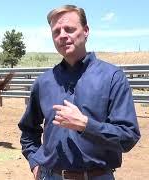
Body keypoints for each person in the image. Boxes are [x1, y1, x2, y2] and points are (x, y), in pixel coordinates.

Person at [18, 4, 141, 180]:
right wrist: (35, 163)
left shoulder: (112, 77)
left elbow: (128, 136)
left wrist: (85, 125)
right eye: (56, 32)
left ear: (86, 31)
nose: (62, 36)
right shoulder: (44, 82)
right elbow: (28, 129)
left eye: (69, 29)